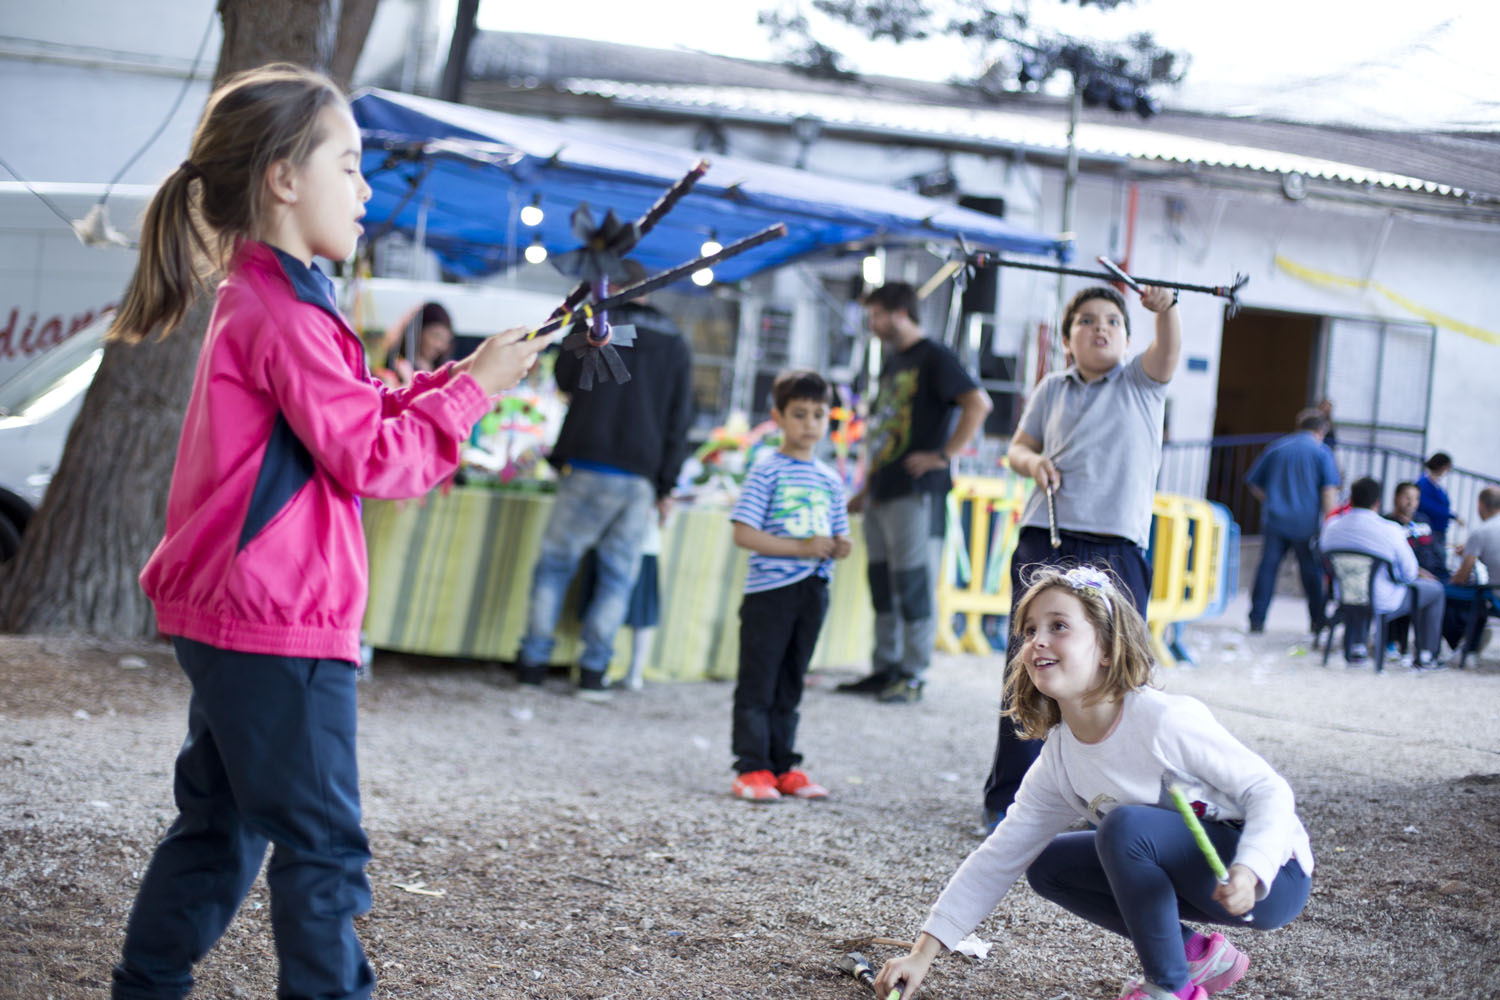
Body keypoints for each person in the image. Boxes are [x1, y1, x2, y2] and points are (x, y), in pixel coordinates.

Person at [103, 64, 546, 1000]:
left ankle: (147, 985)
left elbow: (354, 417)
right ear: (283, 179)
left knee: (220, 825)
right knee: (320, 847)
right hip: (276, 622)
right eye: (349, 165)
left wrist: (459, 376)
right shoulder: (281, 308)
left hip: (244, 617)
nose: (366, 189)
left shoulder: (279, 296)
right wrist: (473, 390)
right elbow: (371, 459)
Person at [874, 566, 1312, 1000]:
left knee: (1123, 827)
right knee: (1048, 866)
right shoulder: (1060, 758)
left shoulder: (1161, 720)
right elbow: (999, 855)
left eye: (1058, 626)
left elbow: (1269, 791)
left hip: (1271, 877)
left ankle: (1169, 989)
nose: (1036, 641)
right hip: (1196, 877)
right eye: (1029, 631)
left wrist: (1251, 869)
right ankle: (1191, 954)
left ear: (1106, 647)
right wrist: (922, 954)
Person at [980, 281, 1180, 831]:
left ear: (1127, 335)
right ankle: (1009, 801)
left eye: (1112, 321)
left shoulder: (1142, 380)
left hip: (1117, 544)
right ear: (1068, 339)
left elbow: (1167, 352)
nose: (1100, 328)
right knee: (1031, 666)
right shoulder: (1052, 387)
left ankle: (1115, 800)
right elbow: (1018, 447)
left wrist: (1165, 311)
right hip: (1048, 537)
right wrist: (1031, 464)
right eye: (1087, 320)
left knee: (1119, 669)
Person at [513, 293, 694, 699]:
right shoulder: (674, 339)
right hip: (640, 473)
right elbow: (680, 417)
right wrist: (666, 485)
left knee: (556, 566)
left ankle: (533, 664)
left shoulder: (595, 322)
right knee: (617, 576)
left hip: (586, 460)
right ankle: (594, 671)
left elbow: (563, 379)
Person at [836, 282, 991, 704]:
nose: (872, 324)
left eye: (876, 315)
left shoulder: (934, 356)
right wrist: (866, 487)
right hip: (883, 491)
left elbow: (978, 402)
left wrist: (944, 454)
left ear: (899, 312)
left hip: (917, 491)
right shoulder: (892, 362)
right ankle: (884, 667)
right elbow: (884, 432)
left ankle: (913, 672)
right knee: (883, 583)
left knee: (913, 583)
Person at [728, 370, 852, 801]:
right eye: (799, 414)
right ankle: (751, 766)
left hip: (813, 592)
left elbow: (837, 533)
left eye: (819, 414)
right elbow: (743, 534)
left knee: (792, 680)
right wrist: (800, 548)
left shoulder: (830, 479)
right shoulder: (766, 472)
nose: (810, 424)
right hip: (770, 594)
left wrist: (839, 546)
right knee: (759, 680)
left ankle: (784, 765)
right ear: (778, 417)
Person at [1321, 477, 1447, 668]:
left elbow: (1323, 560)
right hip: (1382, 601)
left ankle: (1358, 647)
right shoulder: (1390, 530)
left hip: (1344, 596)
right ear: (1377, 503)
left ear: (1351, 500)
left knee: (1363, 589)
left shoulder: (1331, 527)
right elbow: (1409, 573)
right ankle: (1427, 655)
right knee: (1435, 590)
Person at [1244, 409, 1340, 635]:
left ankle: (1257, 620)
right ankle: (1317, 621)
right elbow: (1328, 491)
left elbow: (1254, 483)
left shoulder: (1277, 448)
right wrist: (1331, 523)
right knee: (1311, 573)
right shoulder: (1322, 452)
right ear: (1321, 431)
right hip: (1305, 525)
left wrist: (1273, 499)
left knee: (1268, 569)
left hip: (1275, 520)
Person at [1384, 480, 1449, 656]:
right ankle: (1409, 646)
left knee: (1458, 592)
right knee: (1426, 591)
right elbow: (1392, 559)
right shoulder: (1387, 523)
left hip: (1434, 572)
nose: (1412, 502)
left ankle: (1453, 641)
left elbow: (1434, 549)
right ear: (1396, 498)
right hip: (1406, 575)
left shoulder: (1423, 520)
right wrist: (1420, 572)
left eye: (1416, 498)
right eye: (1407, 497)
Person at [1442, 486, 1500, 655]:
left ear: (1480, 505)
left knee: (1443, 593)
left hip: (1496, 594)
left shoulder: (1481, 532)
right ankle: (1471, 643)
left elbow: (1461, 577)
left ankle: (1461, 644)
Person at [375, 300, 455, 386]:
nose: (439, 346)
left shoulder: (445, 372)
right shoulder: (396, 368)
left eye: (445, 340)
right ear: (418, 333)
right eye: (435, 336)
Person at [1416, 452, 1461, 549]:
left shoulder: (1436, 484)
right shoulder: (1424, 483)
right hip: (1430, 528)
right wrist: (1451, 515)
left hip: (1439, 529)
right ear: (1442, 466)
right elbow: (1428, 505)